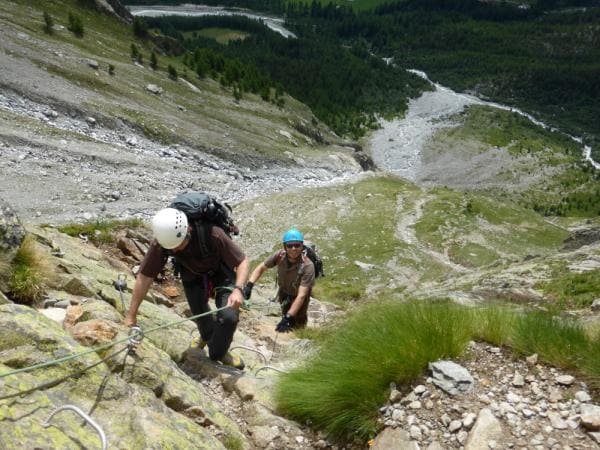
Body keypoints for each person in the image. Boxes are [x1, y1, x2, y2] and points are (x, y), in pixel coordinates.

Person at [125, 207, 249, 370]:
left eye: (178, 245)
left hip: (221, 273)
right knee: (199, 312)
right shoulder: (164, 241)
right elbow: (145, 277)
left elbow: (242, 261)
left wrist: (238, 289)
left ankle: (219, 353)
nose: (175, 250)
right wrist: (131, 315)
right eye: (172, 248)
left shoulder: (213, 233)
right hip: (192, 273)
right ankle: (206, 337)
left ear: (187, 230)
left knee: (229, 317)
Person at [244, 228, 315, 332]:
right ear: (285, 247)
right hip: (284, 292)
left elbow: (302, 296)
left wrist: (288, 317)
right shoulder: (279, 256)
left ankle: (301, 334)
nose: (293, 248)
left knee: (298, 320)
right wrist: (249, 286)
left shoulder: (308, 266)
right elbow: (261, 268)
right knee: (285, 313)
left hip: (299, 297)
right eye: (290, 245)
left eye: (297, 245)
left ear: (302, 246)